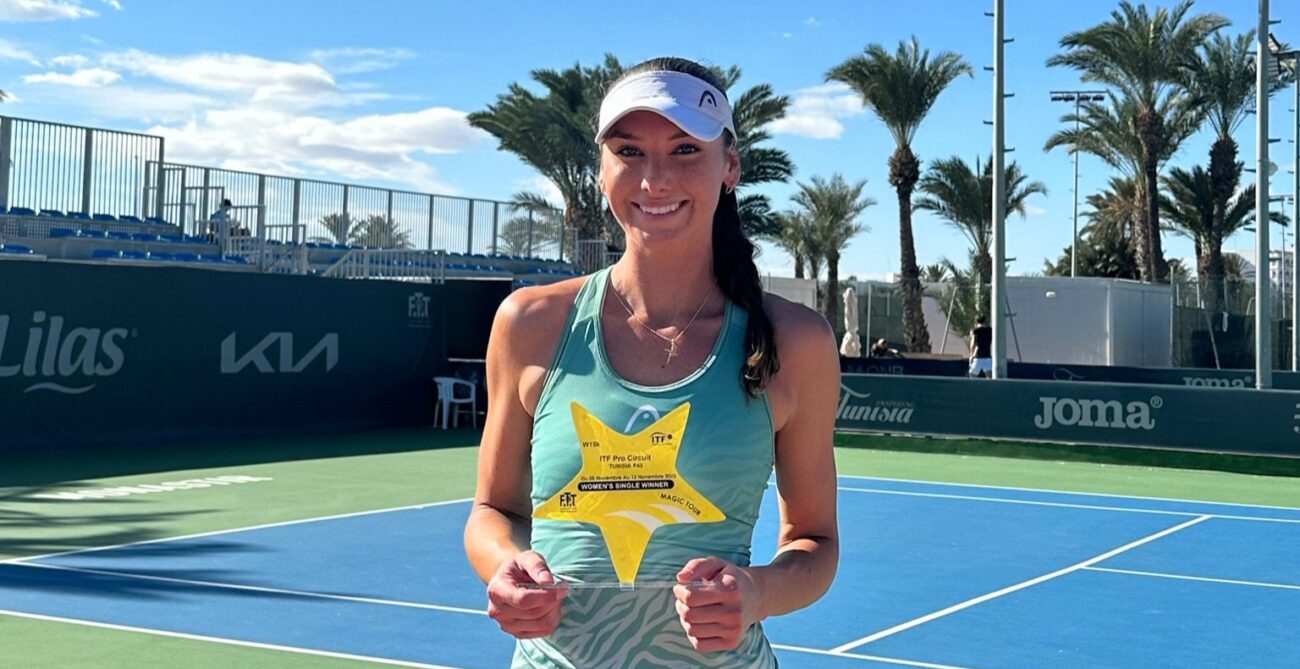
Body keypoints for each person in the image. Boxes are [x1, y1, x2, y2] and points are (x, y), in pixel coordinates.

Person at [464, 57, 840, 668]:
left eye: (686, 149)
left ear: (731, 166)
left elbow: (814, 542)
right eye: (629, 151)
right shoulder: (529, 324)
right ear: (601, 169)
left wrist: (757, 592)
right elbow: (493, 512)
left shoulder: (794, 342)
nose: (655, 179)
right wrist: (504, 567)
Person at [969, 313, 993, 378]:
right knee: (990, 378)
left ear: (976, 321)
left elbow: (973, 343)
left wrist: (971, 355)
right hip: (987, 356)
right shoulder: (990, 330)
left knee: (972, 376)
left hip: (978, 357)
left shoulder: (975, 330)